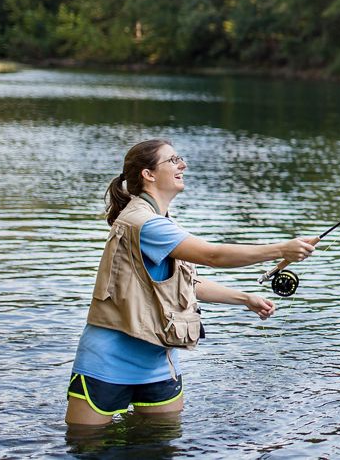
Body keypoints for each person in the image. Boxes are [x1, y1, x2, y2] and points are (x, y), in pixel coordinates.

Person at [65, 138, 317, 426]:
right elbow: (213, 254)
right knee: (87, 447)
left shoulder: (162, 222)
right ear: (148, 174)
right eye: (173, 160)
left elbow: (187, 283)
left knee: (161, 445)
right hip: (107, 361)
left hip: (158, 361)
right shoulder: (144, 223)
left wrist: (245, 299)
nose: (182, 164)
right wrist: (281, 250)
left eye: (179, 158)